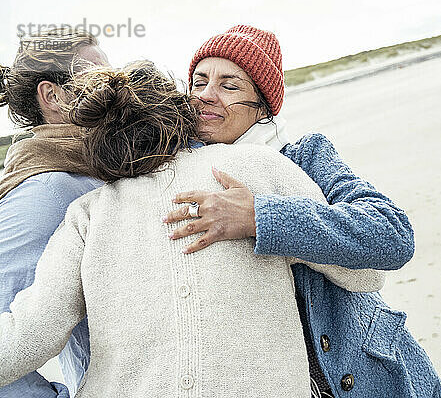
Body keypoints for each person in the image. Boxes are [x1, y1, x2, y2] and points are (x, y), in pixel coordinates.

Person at [0, 60, 384, 397]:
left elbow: (28, 335)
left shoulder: (86, 214)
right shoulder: (257, 167)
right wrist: (267, 220)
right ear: (179, 114)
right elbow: (366, 273)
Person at [163, 25, 441, 397]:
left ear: (262, 106)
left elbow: (391, 234)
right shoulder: (174, 175)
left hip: (363, 373)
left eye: (229, 86)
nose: (205, 96)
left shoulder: (304, 157)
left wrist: (260, 217)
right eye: (198, 83)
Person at [0, 28, 109, 398]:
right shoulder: (44, 192)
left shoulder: (102, 165)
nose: (115, 87)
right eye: (98, 77)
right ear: (53, 96)